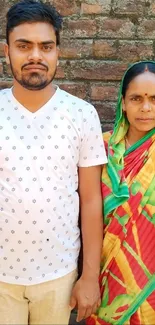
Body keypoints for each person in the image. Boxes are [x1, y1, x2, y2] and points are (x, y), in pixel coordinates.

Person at [0, 0, 107, 324]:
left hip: (59, 274)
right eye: (24, 46)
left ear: (58, 51)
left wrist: (90, 276)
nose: (35, 56)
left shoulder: (81, 115)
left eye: (46, 46)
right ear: (7, 51)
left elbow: (90, 200)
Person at [87, 61, 155, 325]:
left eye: (153, 99)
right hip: (106, 279)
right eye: (136, 98)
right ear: (123, 103)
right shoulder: (100, 149)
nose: (146, 108)